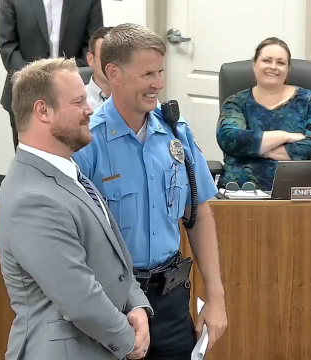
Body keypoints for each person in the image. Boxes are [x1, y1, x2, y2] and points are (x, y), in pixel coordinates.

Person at [73, 23, 227, 359]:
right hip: (114, 304)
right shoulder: (87, 142)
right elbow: (73, 237)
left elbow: (197, 215)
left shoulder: (176, 132)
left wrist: (215, 297)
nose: (158, 83)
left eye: (160, 72)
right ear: (113, 72)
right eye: (147, 74)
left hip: (171, 299)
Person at [0, 58, 152, 360]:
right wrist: (127, 339)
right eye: (79, 101)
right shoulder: (32, 197)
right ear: (43, 111)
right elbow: (79, 297)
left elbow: (114, 259)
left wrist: (137, 306)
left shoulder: (67, 170)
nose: (90, 109)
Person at [216, 37, 311, 190]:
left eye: (280, 62)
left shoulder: (307, 100)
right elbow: (229, 138)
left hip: (296, 192)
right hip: (241, 192)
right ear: (254, 64)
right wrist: (286, 136)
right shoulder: (236, 102)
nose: (273, 67)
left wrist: (257, 149)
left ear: (288, 68)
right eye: (267, 60)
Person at [0, 0, 103, 150]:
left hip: (74, 98)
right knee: (31, 160)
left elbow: (93, 44)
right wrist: (34, 84)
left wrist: (66, 80)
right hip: (26, 95)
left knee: (75, 157)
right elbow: (8, 46)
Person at [85, 26, 113, 109]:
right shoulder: (75, 101)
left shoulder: (135, 98)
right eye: (105, 57)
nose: (112, 64)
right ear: (90, 59)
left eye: (118, 57)